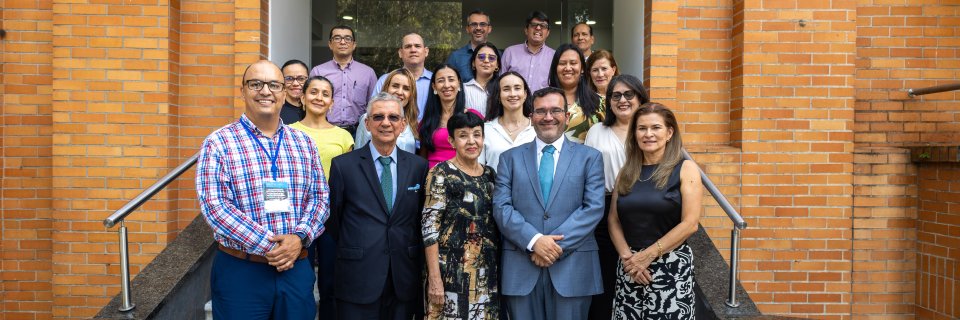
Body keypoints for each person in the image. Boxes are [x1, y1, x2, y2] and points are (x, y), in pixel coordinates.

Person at [196, 60, 327, 320]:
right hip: (241, 271)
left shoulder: (304, 143)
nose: (265, 91)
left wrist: (299, 238)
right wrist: (274, 247)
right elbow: (215, 207)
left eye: (274, 85)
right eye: (256, 84)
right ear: (242, 90)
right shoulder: (219, 143)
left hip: (295, 269)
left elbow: (320, 198)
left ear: (285, 92)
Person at [492, 87, 605, 320]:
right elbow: (501, 207)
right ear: (531, 116)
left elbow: (593, 208)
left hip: (573, 268)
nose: (548, 117)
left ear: (566, 115)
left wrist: (550, 247)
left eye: (555, 110)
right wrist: (534, 242)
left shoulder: (590, 158)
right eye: (541, 111)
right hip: (521, 266)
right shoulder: (509, 158)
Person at [328, 92, 430, 320]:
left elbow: (419, 219)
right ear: (367, 123)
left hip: (403, 277)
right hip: (358, 276)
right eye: (378, 117)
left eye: (393, 117)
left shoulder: (418, 167)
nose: (386, 123)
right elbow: (334, 220)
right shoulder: (343, 166)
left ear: (403, 124)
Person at [608, 102, 703, 319]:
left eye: (655, 128)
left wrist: (648, 256)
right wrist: (628, 258)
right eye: (641, 128)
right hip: (630, 266)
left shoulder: (685, 168)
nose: (648, 134)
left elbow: (690, 223)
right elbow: (614, 219)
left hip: (670, 267)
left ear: (669, 132)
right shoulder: (627, 171)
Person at [287, 75, 355, 317]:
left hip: (332, 218)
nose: (319, 97)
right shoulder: (287, 132)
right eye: (313, 92)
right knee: (300, 280)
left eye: (325, 94)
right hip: (297, 217)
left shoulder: (344, 137)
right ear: (302, 98)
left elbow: (350, 180)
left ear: (332, 103)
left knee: (330, 282)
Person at [582, 74, 649, 320]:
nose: (622, 100)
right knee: (606, 278)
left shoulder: (649, 130)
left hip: (644, 209)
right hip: (605, 207)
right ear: (608, 101)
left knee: (641, 274)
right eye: (615, 95)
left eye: (628, 94)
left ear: (640, 97)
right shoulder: (597, 131)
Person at [422, 112, 501, 320]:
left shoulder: (490, 175)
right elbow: (429, 228)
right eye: (463, 135)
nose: (472, 141)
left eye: (477, 134)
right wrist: (435, 278)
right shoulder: (442, 173)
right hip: (451, 273)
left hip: (487, 272)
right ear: (451, 141)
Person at [310, 25, 378, 136]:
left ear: (354, 45)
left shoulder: (368, 73)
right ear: (330, 44)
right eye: (337, 38)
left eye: (347, 38)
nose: (342, 42)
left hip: (358, 131)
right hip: (324, 130)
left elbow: (374, 105)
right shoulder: (318, 71)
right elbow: (311, 104)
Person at [418, 64, 484, 168]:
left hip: (465, 177)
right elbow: (422, 158)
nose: (446, 85)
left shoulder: (473, 116)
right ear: (434, 86)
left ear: (459, 84)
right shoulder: (427, 120)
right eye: (441, 80)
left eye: (451, 79)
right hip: (433, 178)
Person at [480, 71, 536, 171]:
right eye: (506, 89)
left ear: (525, 94)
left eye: (517, 88)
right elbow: (478, 168)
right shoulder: (485, 130)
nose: (512, 94)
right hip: (494, 186)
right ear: (498, 95)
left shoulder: (537, 129)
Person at [357, 68, 421, 153]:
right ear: (386, 88)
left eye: (406, 88)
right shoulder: (371, 118)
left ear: (411, 95)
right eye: (395, 86)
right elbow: (359, 153)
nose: (400, 92)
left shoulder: (412, 122)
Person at [548, 43, 602, 143]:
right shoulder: (542, 101)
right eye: (562, 63)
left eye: (573, 63)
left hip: (588, 158)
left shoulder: (599, 102)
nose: (568, 68)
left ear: (582, 68)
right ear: (555, 68)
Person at [371, 33, 433, 119]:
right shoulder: (385, 80)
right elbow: (373, 113)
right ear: (400, 53)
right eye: (408, 46)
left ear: (426, 52)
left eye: (417, 46)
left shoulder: (435, 81)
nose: (413, 50)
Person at [500, 11, 555, 92]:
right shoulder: (510, 52)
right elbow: (500, 82)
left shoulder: (554, 56)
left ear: (548, 33)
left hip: (543, 104)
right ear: (526, 30)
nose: (538, 28)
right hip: (514, 103)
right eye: (534, 25)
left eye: (543, 26)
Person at [447, 10, 493, 82]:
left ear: (489, 29)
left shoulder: (498, 55)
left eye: (483, 24)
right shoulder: (455, 57)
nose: (478, 28)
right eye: (474, 24)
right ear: (467, 29)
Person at [463, 42, 501, 118]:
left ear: (497, 65)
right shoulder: (463, 89)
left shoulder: (503, 89)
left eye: (491, 58)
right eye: (481, 57)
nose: (486, 60)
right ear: (473, 63)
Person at [280, 59, 309, 124]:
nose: (295, 84)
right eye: (289, 78)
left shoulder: (314, 108)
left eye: (301, 78)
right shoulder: (276, 110)